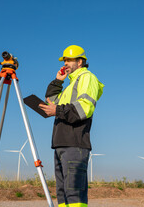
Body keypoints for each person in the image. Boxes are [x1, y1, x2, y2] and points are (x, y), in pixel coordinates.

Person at [39, 45, 104, 207]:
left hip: (75, 144)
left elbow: (84, 109)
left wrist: (58, 110)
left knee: (74, 194)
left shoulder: (87, 78)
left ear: (80, 62)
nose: (66, 63)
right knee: (62, 194)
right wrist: (57, 81)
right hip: (61, 143)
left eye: (69, 60)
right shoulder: (69, 85)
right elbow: (51, 101)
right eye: (65, 60)